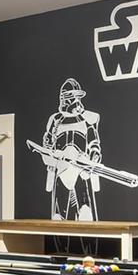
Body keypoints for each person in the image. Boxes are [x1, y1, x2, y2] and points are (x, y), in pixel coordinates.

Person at [40, 77, 103, 221]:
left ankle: (86, 222)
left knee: (85, 212)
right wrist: (49, 154)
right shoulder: (55, 120)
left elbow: (93, 141)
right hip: (61, 166)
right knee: (58, 215)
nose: (73, 101)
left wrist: (93, 156)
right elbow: (48, 143)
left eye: (75, 97)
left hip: (81, 167)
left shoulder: (88, 119)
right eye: (69, 97)